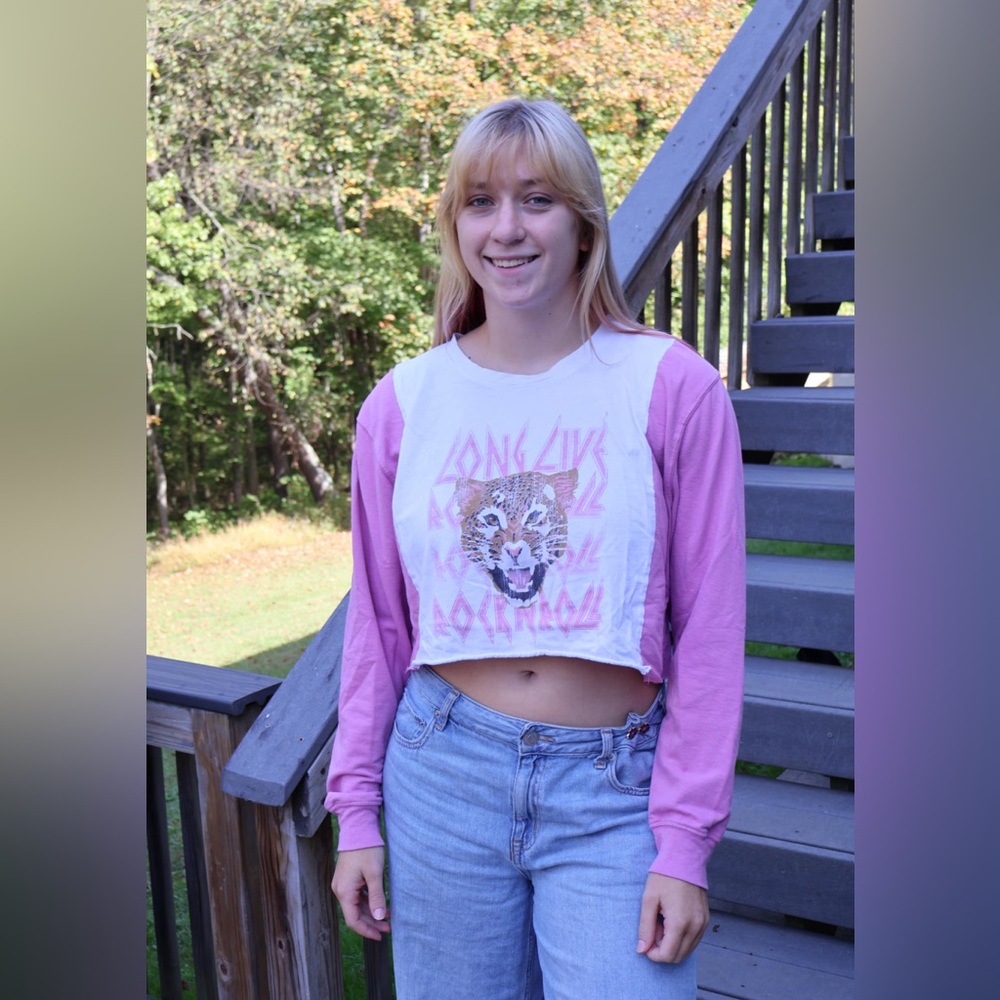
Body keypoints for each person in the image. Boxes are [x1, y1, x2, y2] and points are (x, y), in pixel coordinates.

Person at [325, 97, 745, 1000]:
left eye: (537, 199)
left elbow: (711, 632)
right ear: (455, 224)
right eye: (481, 202)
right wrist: (355, 810)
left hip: (614, 795)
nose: (507, 228)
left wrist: (684, 842)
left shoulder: (670, 386)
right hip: (441, 775)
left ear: (584, 222)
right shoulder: (402, 405)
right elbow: (379, 626)